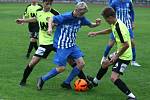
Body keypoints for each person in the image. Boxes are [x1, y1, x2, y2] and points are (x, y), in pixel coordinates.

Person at [17, 0, 87, 87]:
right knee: (33, 62)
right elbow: (36, 19)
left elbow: (63, 22)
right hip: (44, 43)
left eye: (50, 4)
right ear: (43, 3)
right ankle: (23, 80)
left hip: (57, 42)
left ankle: (85, 80)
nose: (49, 6)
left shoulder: (55, 13)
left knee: (72, 61)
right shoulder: (38, 12)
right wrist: (23, 20)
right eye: (47, 4)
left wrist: (54, 25)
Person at [36, 2, 101, 90]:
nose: (82, 15)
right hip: (62, 45)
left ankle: (66, 83)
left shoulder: (81, 18)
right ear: (76, 10)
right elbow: (51, 19)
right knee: (61, 68)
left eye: (84, 13)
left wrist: (96, 24)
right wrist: (50, 28)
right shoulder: (66, 16)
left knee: (81, 64)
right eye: (81, 13)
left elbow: (90, 25)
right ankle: (42, 79)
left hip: (72, 45)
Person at [88, 7, 136, 100]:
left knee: (113, 77)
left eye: (106, 19)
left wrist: (116, 56)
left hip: (125, 56)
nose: (106, 21)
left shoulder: (119, 27)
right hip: (120, 52)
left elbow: (126, 45)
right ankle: (95, 82)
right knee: (105, 63)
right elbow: (109, 30)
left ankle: (132, 97)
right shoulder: (115, 23)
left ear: (110, 17)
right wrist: (96, 33)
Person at [101, 0, 141, 67]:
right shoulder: (114, 2)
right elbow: (108, 12)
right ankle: (104, 57)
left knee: (132, 43)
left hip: (127, 26)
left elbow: (132, 12)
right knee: (111, 44)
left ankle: (133, 61)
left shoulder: (129, 2)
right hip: (117, 25)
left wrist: (132, 22)